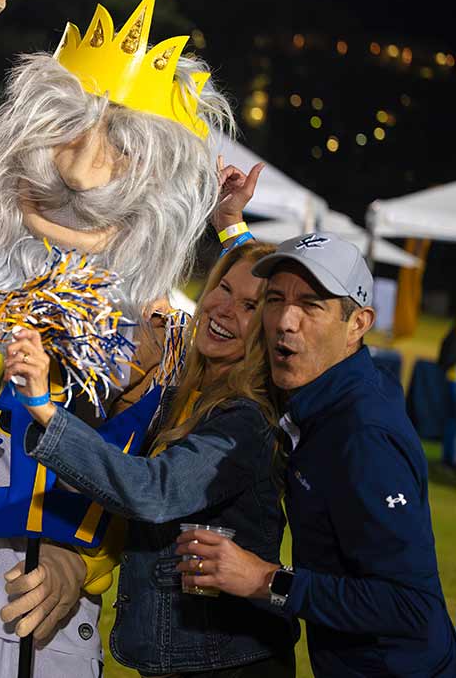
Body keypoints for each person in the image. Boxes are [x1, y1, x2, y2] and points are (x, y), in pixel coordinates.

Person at [0, 0, 234, 677]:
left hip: (59, 633)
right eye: (63, 130)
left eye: (119, 152)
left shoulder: (162, 340)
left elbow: (154, 483)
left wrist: (83, 561)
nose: (79, 171)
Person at [176, 232, 456, 677]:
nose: (285, 321)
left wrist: (265, 580)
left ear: (358, 324)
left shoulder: (363, 435)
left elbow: (411, 607)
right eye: (275, 300)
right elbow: (240, 291)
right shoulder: (322, 385)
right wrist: (232, 229)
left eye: (311, 305)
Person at [14, 239, 297, 677]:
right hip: (183, 658)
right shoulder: (187, 389)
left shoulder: (246, 420)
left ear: (268, 327)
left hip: (230, 663)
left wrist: (46, 414)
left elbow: (153, 490)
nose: (223, 309)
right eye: (222, 288)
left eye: (248, 307)